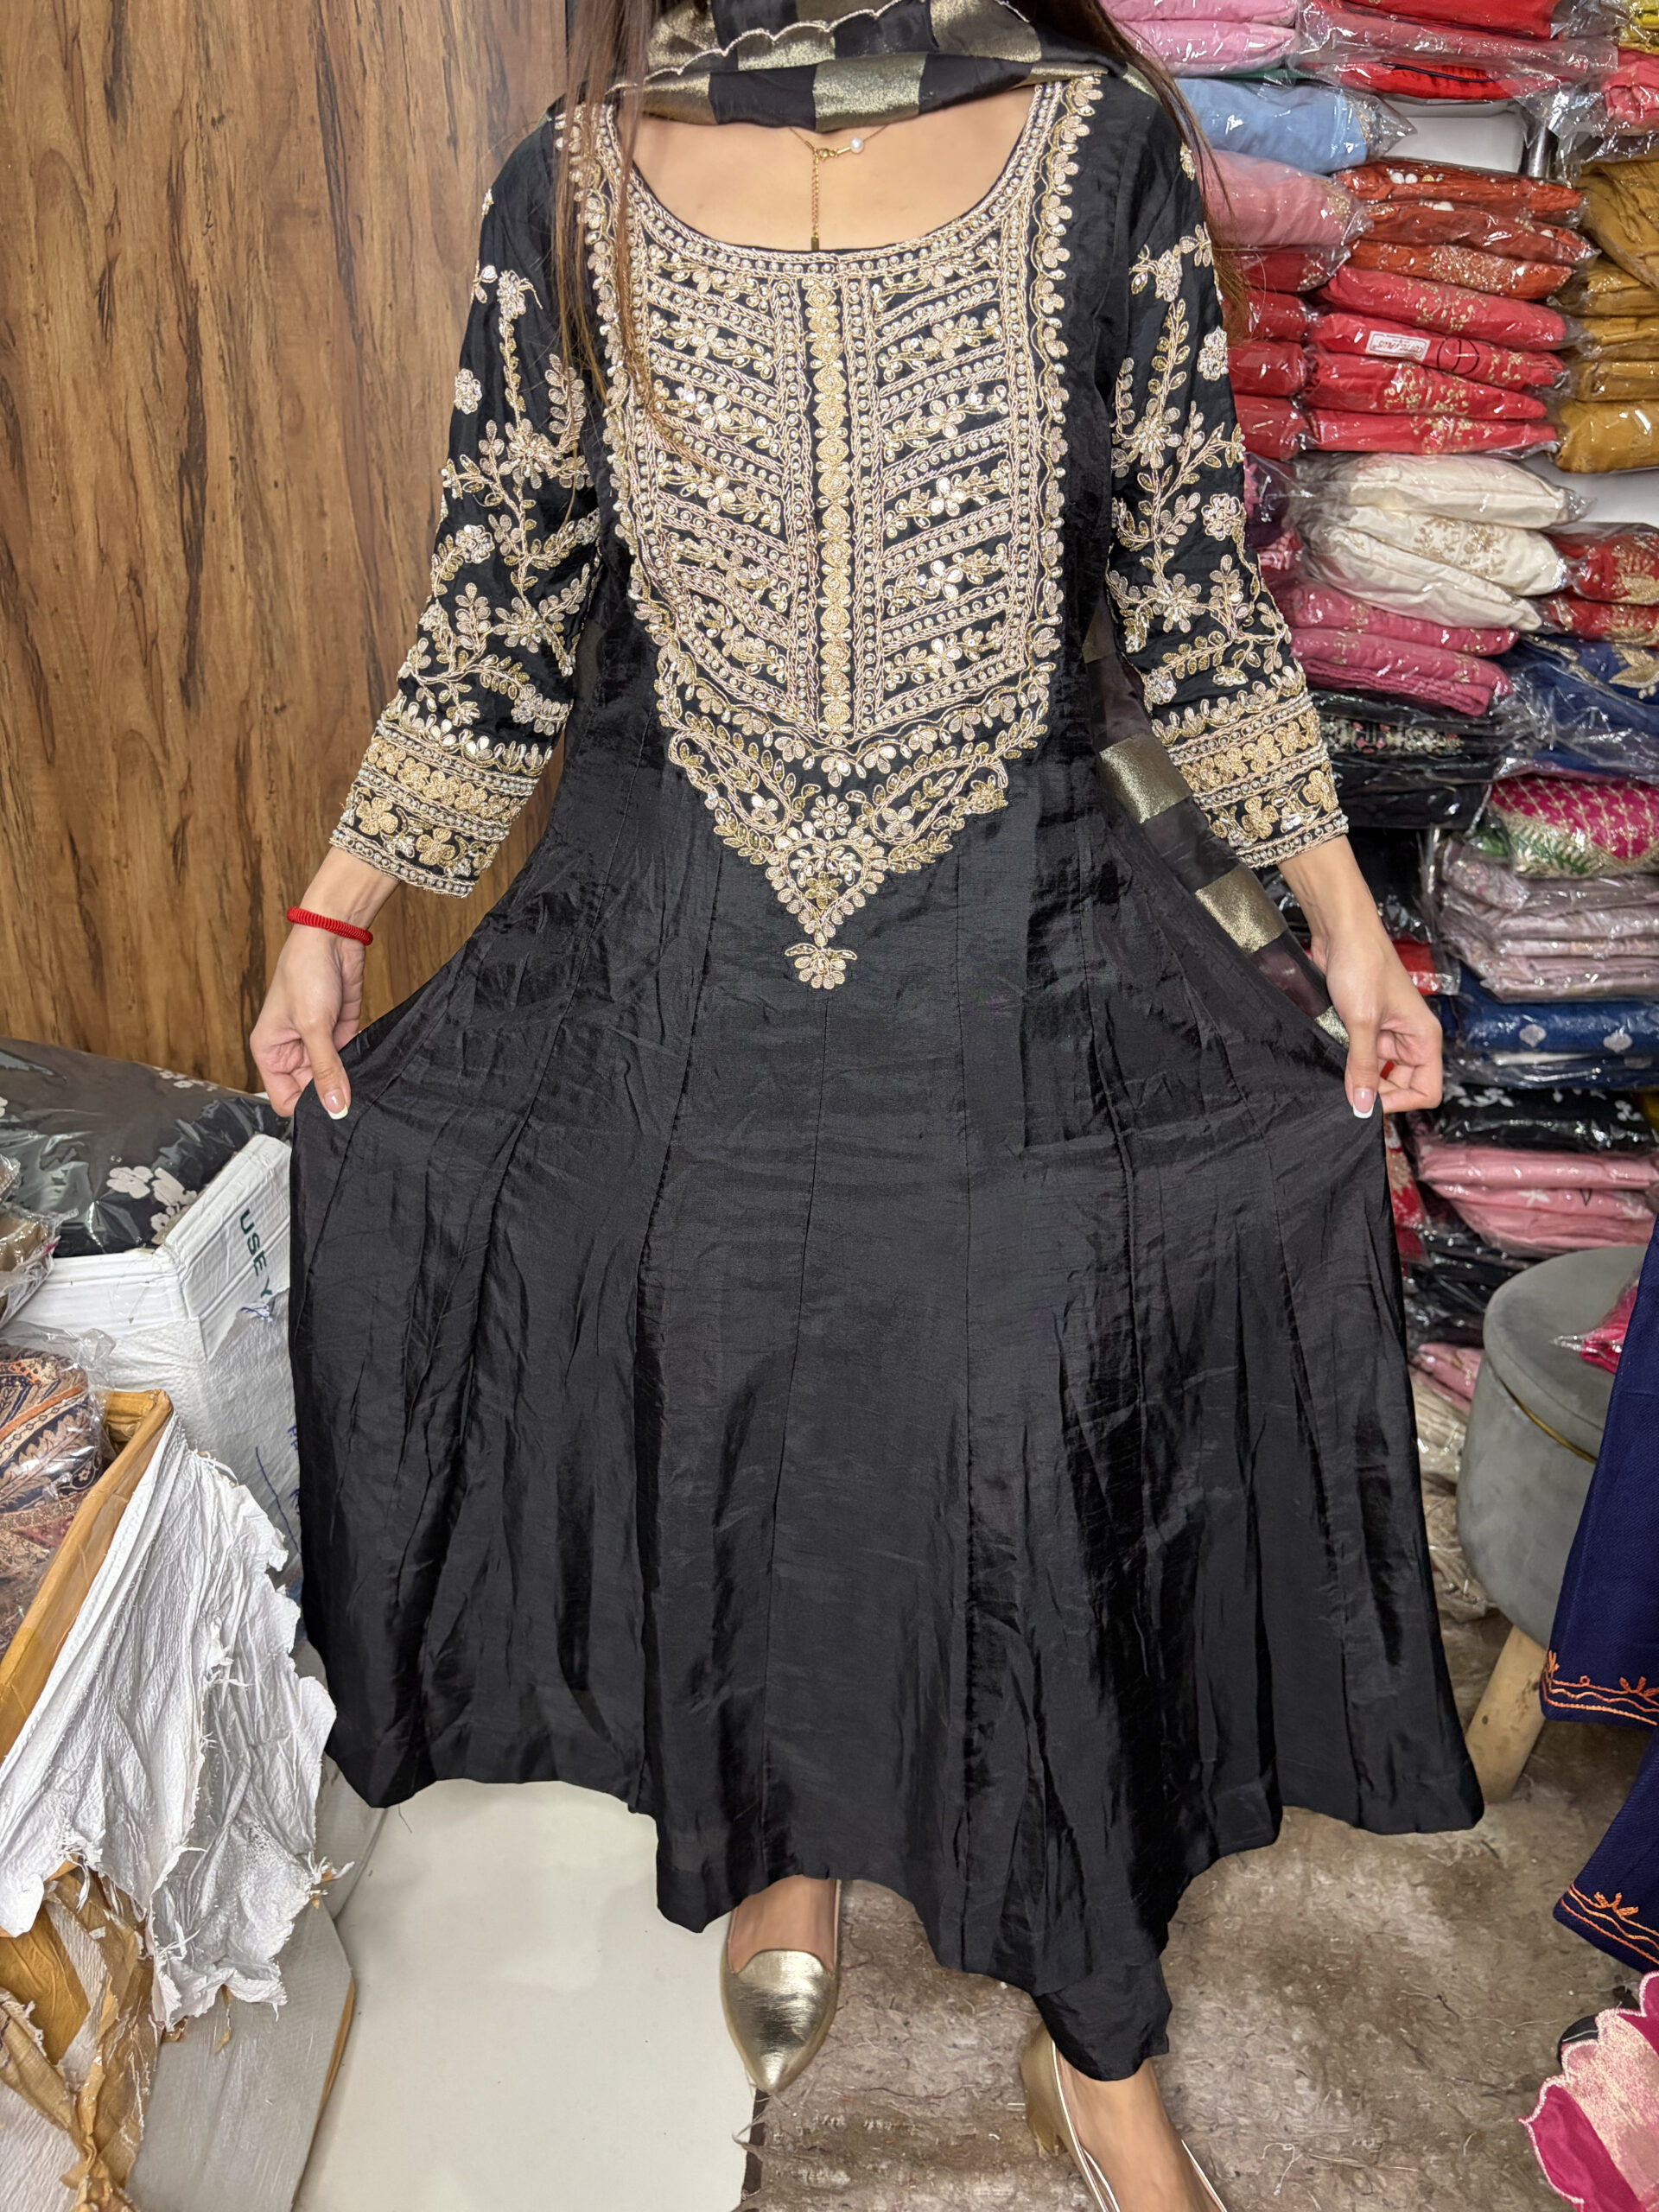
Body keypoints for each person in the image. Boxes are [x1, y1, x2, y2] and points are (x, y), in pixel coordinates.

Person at [251, 3, 1483, 2204]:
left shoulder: (1099, 158)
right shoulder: (578, 184)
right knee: (730, 1384)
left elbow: (1191, 591)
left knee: (1030, 1433)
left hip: (1018, 952)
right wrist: (334, 910)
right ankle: (780, 1831)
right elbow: (502, 601)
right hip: (672, 949)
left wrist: (1348, 926)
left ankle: (1095, 2023)